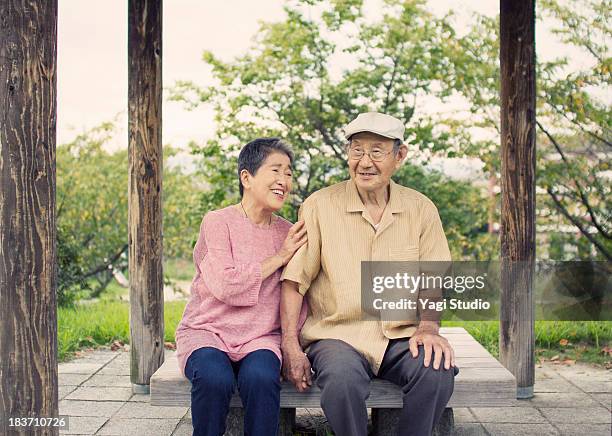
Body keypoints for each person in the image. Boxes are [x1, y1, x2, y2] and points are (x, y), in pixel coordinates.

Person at [280, 112, 458, 436]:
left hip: (401, 335)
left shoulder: (421, 209)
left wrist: (430, 327)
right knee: (342, 381)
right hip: (337, 335)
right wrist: (290, 345)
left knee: (436, 368)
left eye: (377, 151)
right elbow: (294, 282)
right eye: (356, 150)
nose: (365, 161)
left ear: (399, 156)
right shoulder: (319, 206)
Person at [175, 137, 307, 436]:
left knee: (261, 378)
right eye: (275, 170)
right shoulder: (218, 222)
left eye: (288, 173)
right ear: (246, 177)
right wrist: (280, 257)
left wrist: (294, 342)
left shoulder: (289, 231)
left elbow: (300, 288)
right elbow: (225, 284)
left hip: (260, 337)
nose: (284, 181)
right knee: (214, 379)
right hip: (208, 331)